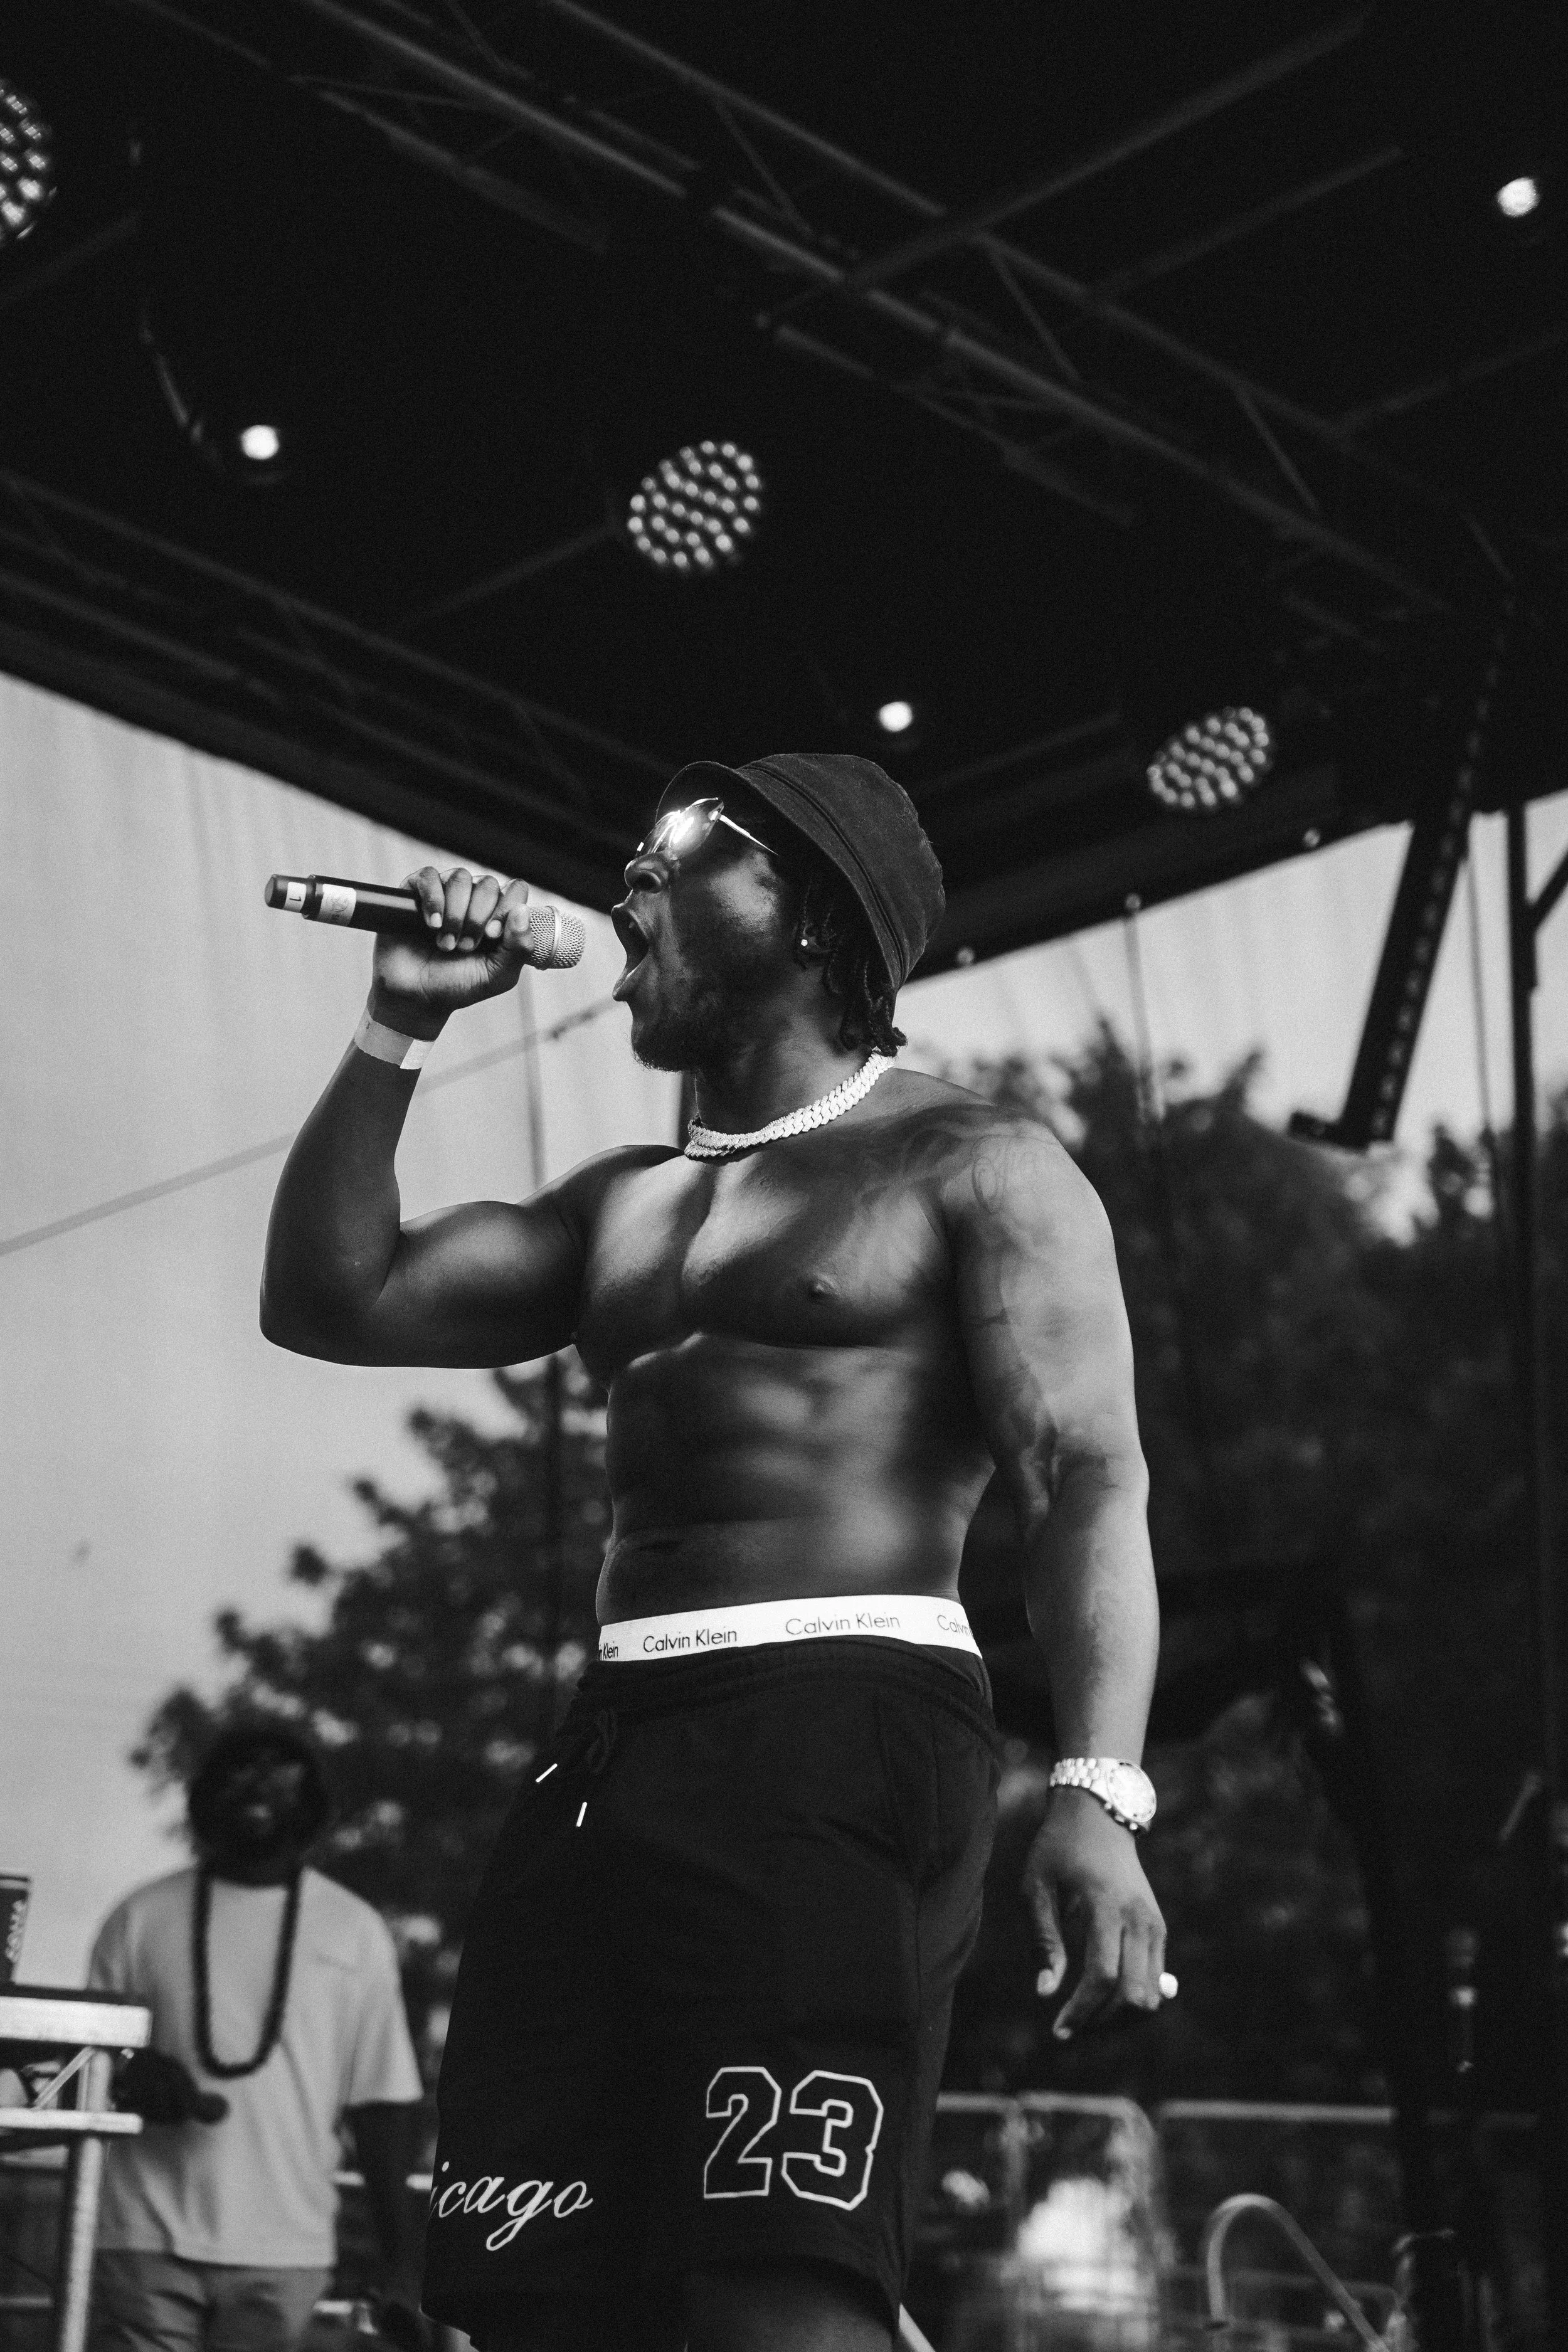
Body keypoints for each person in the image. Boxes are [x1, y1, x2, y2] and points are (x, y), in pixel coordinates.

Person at [260, 753, 1165, 2351]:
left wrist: (1098, 1790)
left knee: (772, 2289)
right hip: (612, 1753)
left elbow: (1085, 1472)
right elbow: (332, 1299)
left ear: (814, 916)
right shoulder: (619, 1206)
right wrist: (400, 1016)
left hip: (840, 1723)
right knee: (527, 2284)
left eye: (671, 861)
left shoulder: (973, 1161)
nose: (625, 893)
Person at [87, 1723, 426, 2352]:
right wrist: (135, 2070)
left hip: (283, 2247)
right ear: (202, 1795)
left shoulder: (354, 1931)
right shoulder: (138, 1918)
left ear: (316, 1802)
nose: (258, 1786)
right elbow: (89, 2068)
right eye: (239, 1769)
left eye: (281, 1770)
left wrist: (403, 2261)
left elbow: (381, 2106)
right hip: (141, 2233)